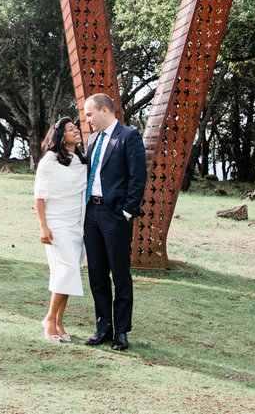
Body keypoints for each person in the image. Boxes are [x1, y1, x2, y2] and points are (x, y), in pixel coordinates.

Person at [81, 92, 146, 352]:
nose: (87, 120)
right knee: (97, 274)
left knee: (120, 275)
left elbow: (138, 177)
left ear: (105, 111)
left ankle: (121, 332)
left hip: (115, 216)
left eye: (89, 114)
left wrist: (127, 212)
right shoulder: (91, 140)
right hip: (91, 215)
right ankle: (103, 328)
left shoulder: (129, 136)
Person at [33, 116, 88, 343]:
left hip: (78, 225)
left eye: (76, 128)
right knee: (66, 271)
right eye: (70, 129)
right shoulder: (49, 160)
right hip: (57, 224)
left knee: (70, 273)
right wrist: (43, 226)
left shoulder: (81, 160)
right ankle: (48, 318)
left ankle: (59, 321)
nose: (76, 130)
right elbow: (39, 196)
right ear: (60, 136)